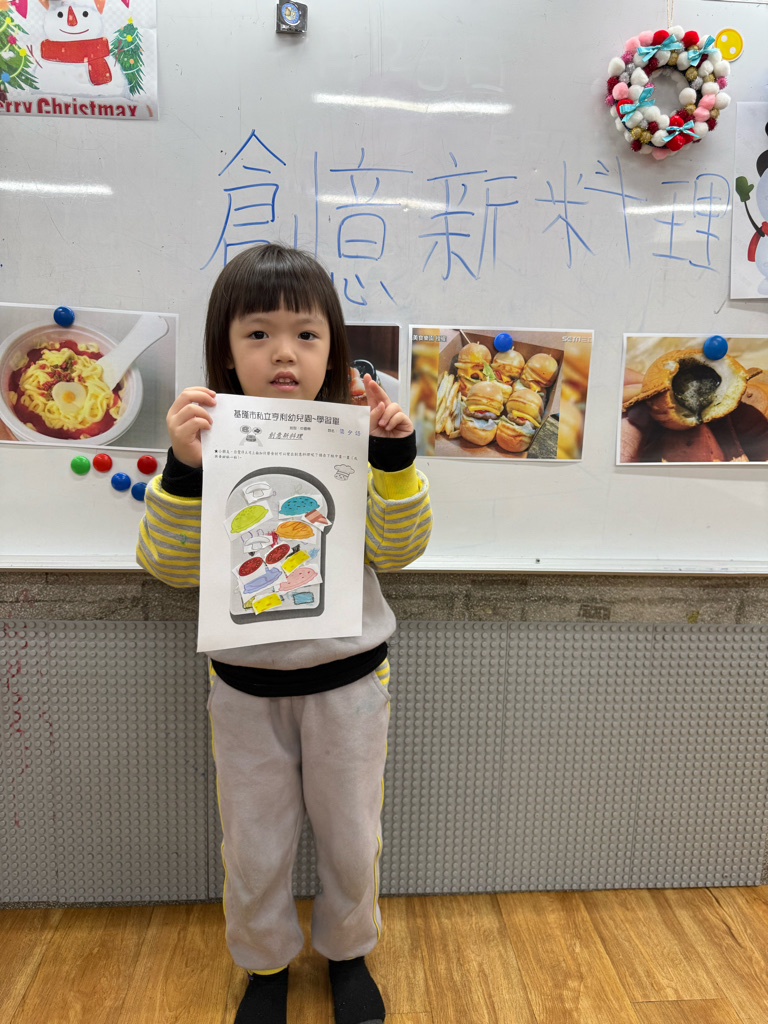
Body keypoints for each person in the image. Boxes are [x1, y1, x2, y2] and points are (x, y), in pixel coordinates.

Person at [136, 243, 432, 1024]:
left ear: (333, 349)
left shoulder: (358, 438)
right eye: (258, 333)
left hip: (349, 684)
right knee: (255, 844)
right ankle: (264, 964)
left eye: (306, 334)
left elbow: (399, 551)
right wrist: (184, 469)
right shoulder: (206, 442)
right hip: (244, 690)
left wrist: (395, 461)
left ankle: (347, 953)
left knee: (351, 837)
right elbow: (168, 566)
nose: (283, 353)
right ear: (226, 351)